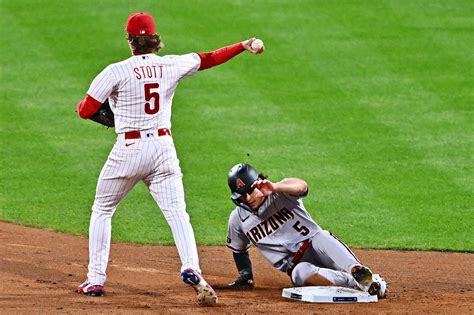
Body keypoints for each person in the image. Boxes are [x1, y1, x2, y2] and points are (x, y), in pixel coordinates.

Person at [75, 12, 263, 306]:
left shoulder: (116, 71)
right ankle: (192, 269)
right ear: (154, 39)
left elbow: (85, 109)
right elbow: (209, 57)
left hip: (128, 149)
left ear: (130, 41)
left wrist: (108, 116)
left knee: (103, 209)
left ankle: (95, 280)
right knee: (178, 212)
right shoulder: (170, 64)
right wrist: (243, 44)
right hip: (163, 148)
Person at [225, 163, 388, 298]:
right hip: (299, 265)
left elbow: (301, 186)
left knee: (321, 236)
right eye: (241, 195)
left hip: (318, 247)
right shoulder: (237, 219)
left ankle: (356, 269)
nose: (247, 198)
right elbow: (239, 250)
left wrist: (275, 187)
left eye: (250, 191)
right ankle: (365, 283)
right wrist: (246, 275)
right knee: (298, 274)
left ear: (260, 182)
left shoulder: (281, 192)